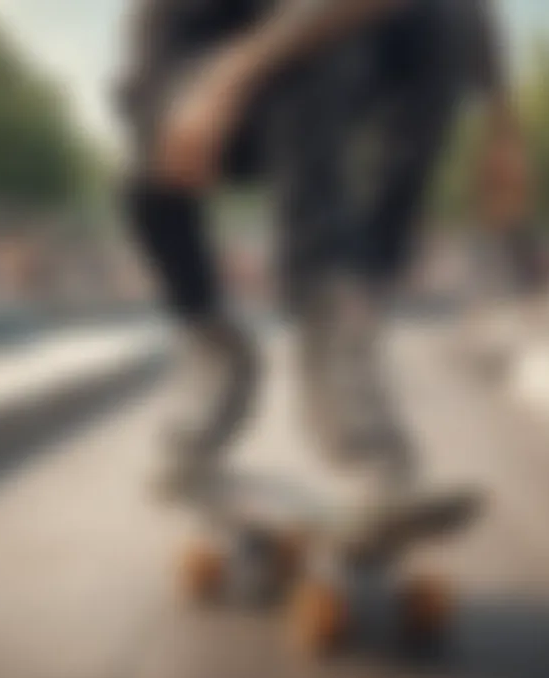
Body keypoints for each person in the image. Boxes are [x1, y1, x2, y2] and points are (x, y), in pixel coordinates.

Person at [116, 0, 517, 538]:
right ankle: (214, 344)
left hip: (302, 54)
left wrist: (503, 121)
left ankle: (346, 319)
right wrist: (227, 77)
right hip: (187, 52)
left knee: (430, 22)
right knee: (161, 147)